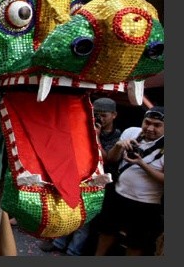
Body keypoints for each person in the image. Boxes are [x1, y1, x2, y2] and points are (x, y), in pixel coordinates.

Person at [41, 97, 121, 255]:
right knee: (68, 209)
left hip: (99, 183)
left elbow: (106, 159)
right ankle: (58, 242)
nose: (99, 119)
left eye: (103, 115)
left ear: (114, 115)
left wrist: (96, 136)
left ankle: (73, 251)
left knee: (85, 217)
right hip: (79, 176)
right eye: (96, 114)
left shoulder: (117, 135)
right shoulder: (84, 126)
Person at [94, 106, 165, 256]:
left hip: (146, 203)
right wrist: (119, 146)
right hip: (119, 194)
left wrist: (141, 164)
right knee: (106, 232)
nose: (150, 128)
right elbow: (112, 159)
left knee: (136, 243)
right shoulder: (131, 132)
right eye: (147, 122)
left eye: (157, 125)